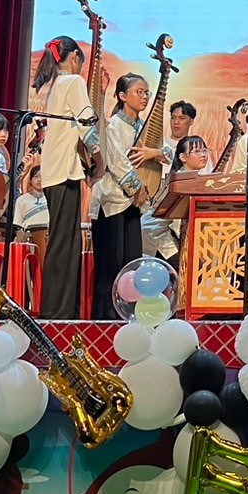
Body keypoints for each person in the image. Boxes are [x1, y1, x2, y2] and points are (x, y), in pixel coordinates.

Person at [33, 35, 100, 319]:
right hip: (64, 172)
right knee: (65, 245)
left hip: (53, 171)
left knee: (63, 242)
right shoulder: (72, 82)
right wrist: (99, 160)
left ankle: (59, 310)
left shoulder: (49, 86)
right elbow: (87, 123)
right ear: (73, 58)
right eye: (80, 63)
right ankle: (57, 313)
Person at [92, 74, 153, 319]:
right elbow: (116, 160)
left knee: (131, 264)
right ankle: (104, 320)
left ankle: (127, 317)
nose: (145, 97)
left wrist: (157, 153)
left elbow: (163, 152)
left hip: (133, 204)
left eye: (146, 92)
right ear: (122, 96)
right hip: (112, 202)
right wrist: (136, 187)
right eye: (139, 91)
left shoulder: (143, 128)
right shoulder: (114, 126)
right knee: (111, 265)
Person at [141, 99, 212, 260]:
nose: (176, 122)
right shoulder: (179, 178)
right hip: (159, 231)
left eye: (204, 151)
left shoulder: (191, 173)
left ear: (191, 121)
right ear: (183, 157)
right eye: (173, 118)